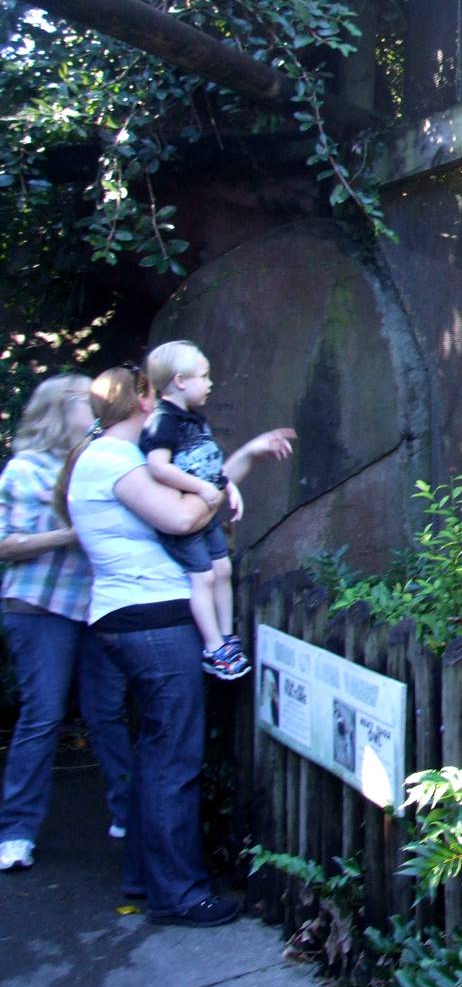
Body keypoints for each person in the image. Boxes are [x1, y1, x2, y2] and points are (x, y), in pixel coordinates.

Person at [63, 364, 293, 925]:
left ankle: (148, 878)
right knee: (173, 759)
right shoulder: (116, 461)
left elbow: (198, 499)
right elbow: (185, 518)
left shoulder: (119, 457)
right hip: (151, 619)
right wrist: (217, 484)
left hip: (140, 617)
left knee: (157, 754)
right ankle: (179, 895)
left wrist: (238, 463)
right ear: (144, 400)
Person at [0, 374, 134, 873]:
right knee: (43, 716)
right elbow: (4, 544)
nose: (97, 405)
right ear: (59, 408)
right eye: (86, 398)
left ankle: (129, 816)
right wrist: (71, 535)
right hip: (40, 609)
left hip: (97, 608)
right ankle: (16, 831)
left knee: (107, 712)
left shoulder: (99, 461)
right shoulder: (25, 470)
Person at [139, 340, 290, 681]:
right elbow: (158, 467)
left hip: (206, 512)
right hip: (184, 515)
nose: (210, 384)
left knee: (223, 569)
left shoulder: (195, 420)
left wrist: (227, 486)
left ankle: (226, 637)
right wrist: (201, 488)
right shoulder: (162, 420)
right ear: (180, 381)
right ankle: (213, 647)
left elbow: (209, 465)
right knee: (203, 577)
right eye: (204, 376)